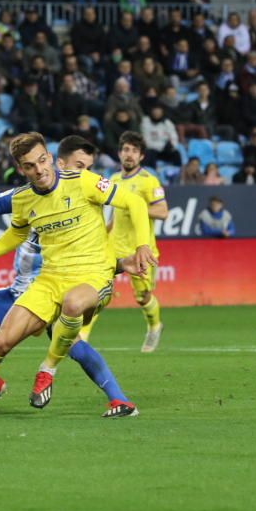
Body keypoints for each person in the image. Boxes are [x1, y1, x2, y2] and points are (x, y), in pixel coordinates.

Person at [0, 132, 155, 419]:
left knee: (73, 304)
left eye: (42, 160)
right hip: (49, 279)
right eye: (30, 166)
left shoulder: (82, 180)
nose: (39, 169)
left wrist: (143, 244)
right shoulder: (23, 199)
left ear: (50, 157)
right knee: (0, 341)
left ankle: (48, 370)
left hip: (94, 275)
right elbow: (17, 232)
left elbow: (134, 203)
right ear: (21, 169)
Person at [107, 131, 168, 352]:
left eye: (134, 151)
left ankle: (154, 326)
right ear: (119, 153)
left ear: (141, 156)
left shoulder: (148, 181)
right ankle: (81, 337)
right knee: (95, 290)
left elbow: (163, 211)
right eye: (125, 150)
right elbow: (113, 216)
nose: (129, 154)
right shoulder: (112, 180)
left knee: (143, 297)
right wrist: (103, 234)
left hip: (140, 250)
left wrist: (137, 207)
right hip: (113, 247)